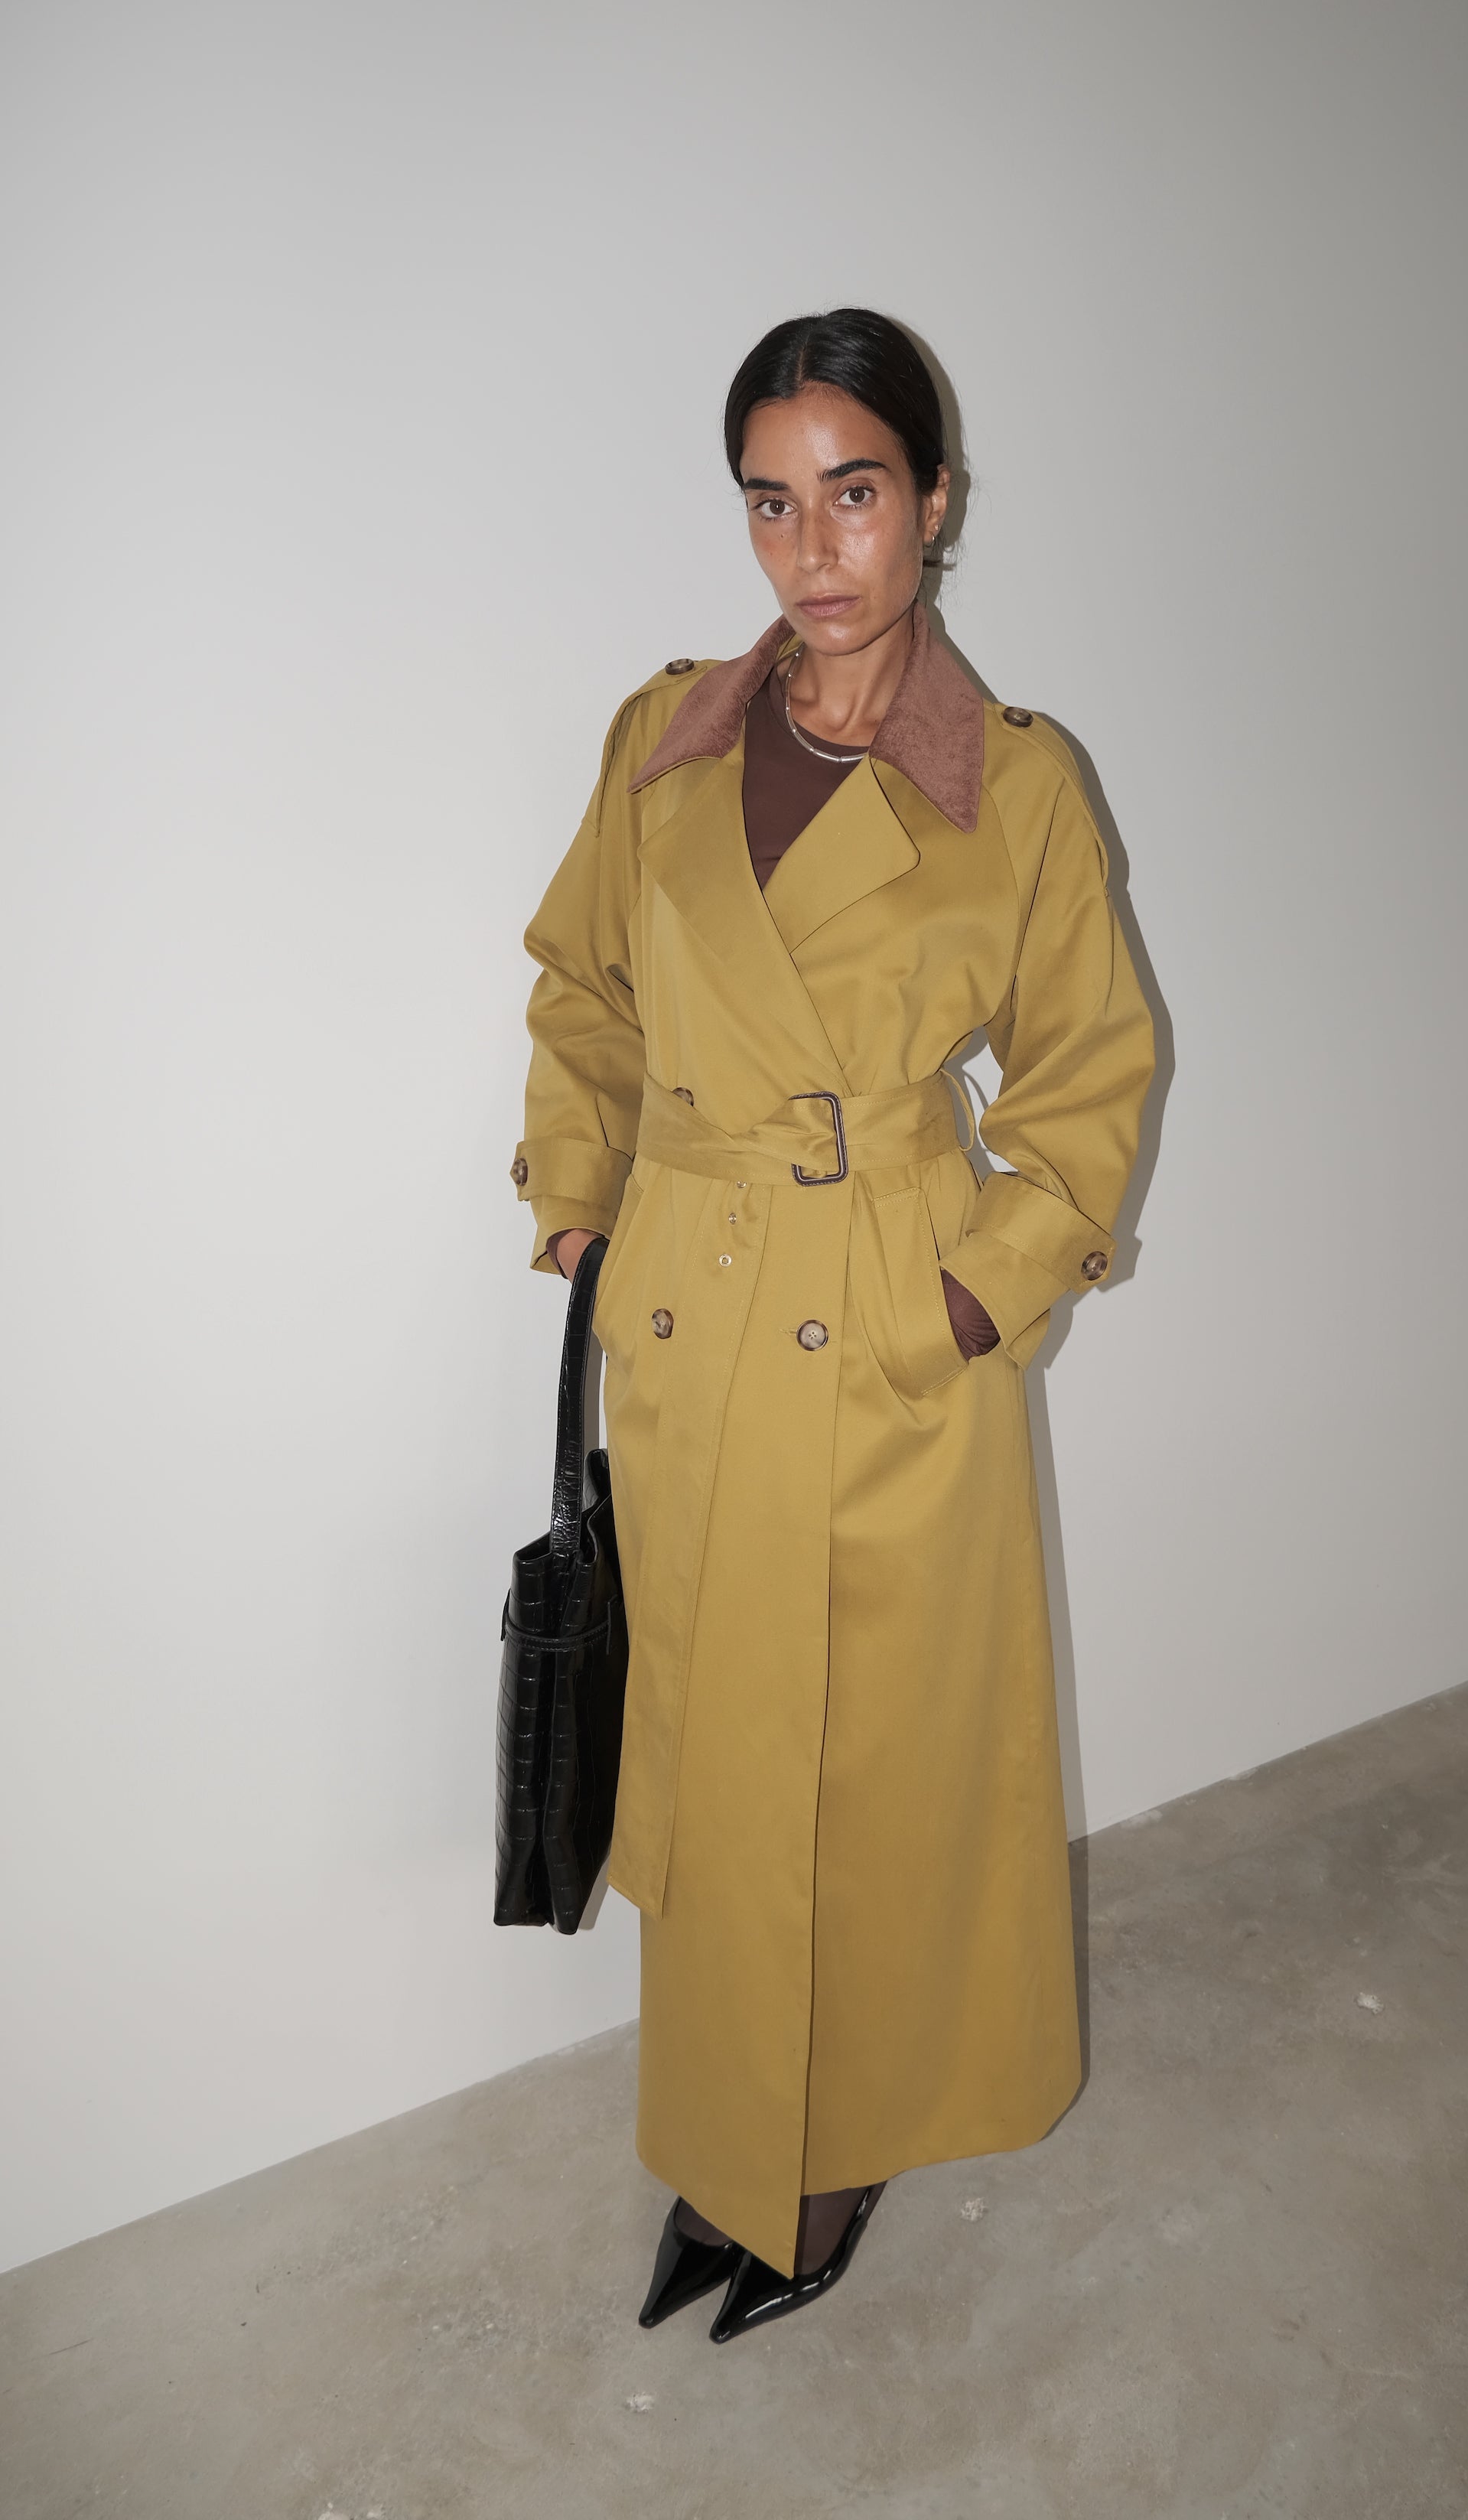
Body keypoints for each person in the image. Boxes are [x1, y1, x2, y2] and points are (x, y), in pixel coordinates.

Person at [513, 308, 1154, 2342]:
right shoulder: (666, 739)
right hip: (695, 1318)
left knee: (869, 1770)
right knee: (716, 1758)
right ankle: (729, 2147)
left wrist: (969, 1295)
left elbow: (1089, 1083)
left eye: (854, 494)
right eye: (771, 503)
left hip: (886, 1326)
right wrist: (579, 1202)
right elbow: (587, 988)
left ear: (934, 503)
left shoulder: (1018, 783)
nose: (813, 550)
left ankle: (838, 2146)